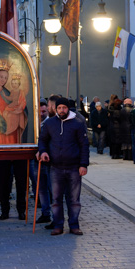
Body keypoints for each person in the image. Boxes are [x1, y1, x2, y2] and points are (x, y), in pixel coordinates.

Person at [38, 98, 90, 236]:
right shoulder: (50, 123)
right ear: (56, 109)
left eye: (64, 108)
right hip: (55, 167)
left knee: (74, 199)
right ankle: (58, 225)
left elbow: (84, 145)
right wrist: (43, 152)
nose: (62, 110)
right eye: (59, 108)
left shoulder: (77, 124)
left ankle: (74, 225)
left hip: (74, 167)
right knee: (56, 199)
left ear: (68, 109)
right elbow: (42, 140)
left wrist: (83, 164)